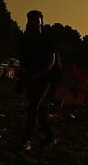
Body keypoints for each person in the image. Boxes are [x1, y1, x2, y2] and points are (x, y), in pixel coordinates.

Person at [16, 9, 60, 150]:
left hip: (45, 78)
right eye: (31, 21)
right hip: (31, 78)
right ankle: (50, 137)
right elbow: (23, 60)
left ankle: (26, 139)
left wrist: (39, 75)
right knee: (38, 110)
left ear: (41, 22)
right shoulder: (26, 40)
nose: (33, 24)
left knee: (33, 107)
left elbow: (51, 62)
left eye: (36, 21)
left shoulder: (47, 40)